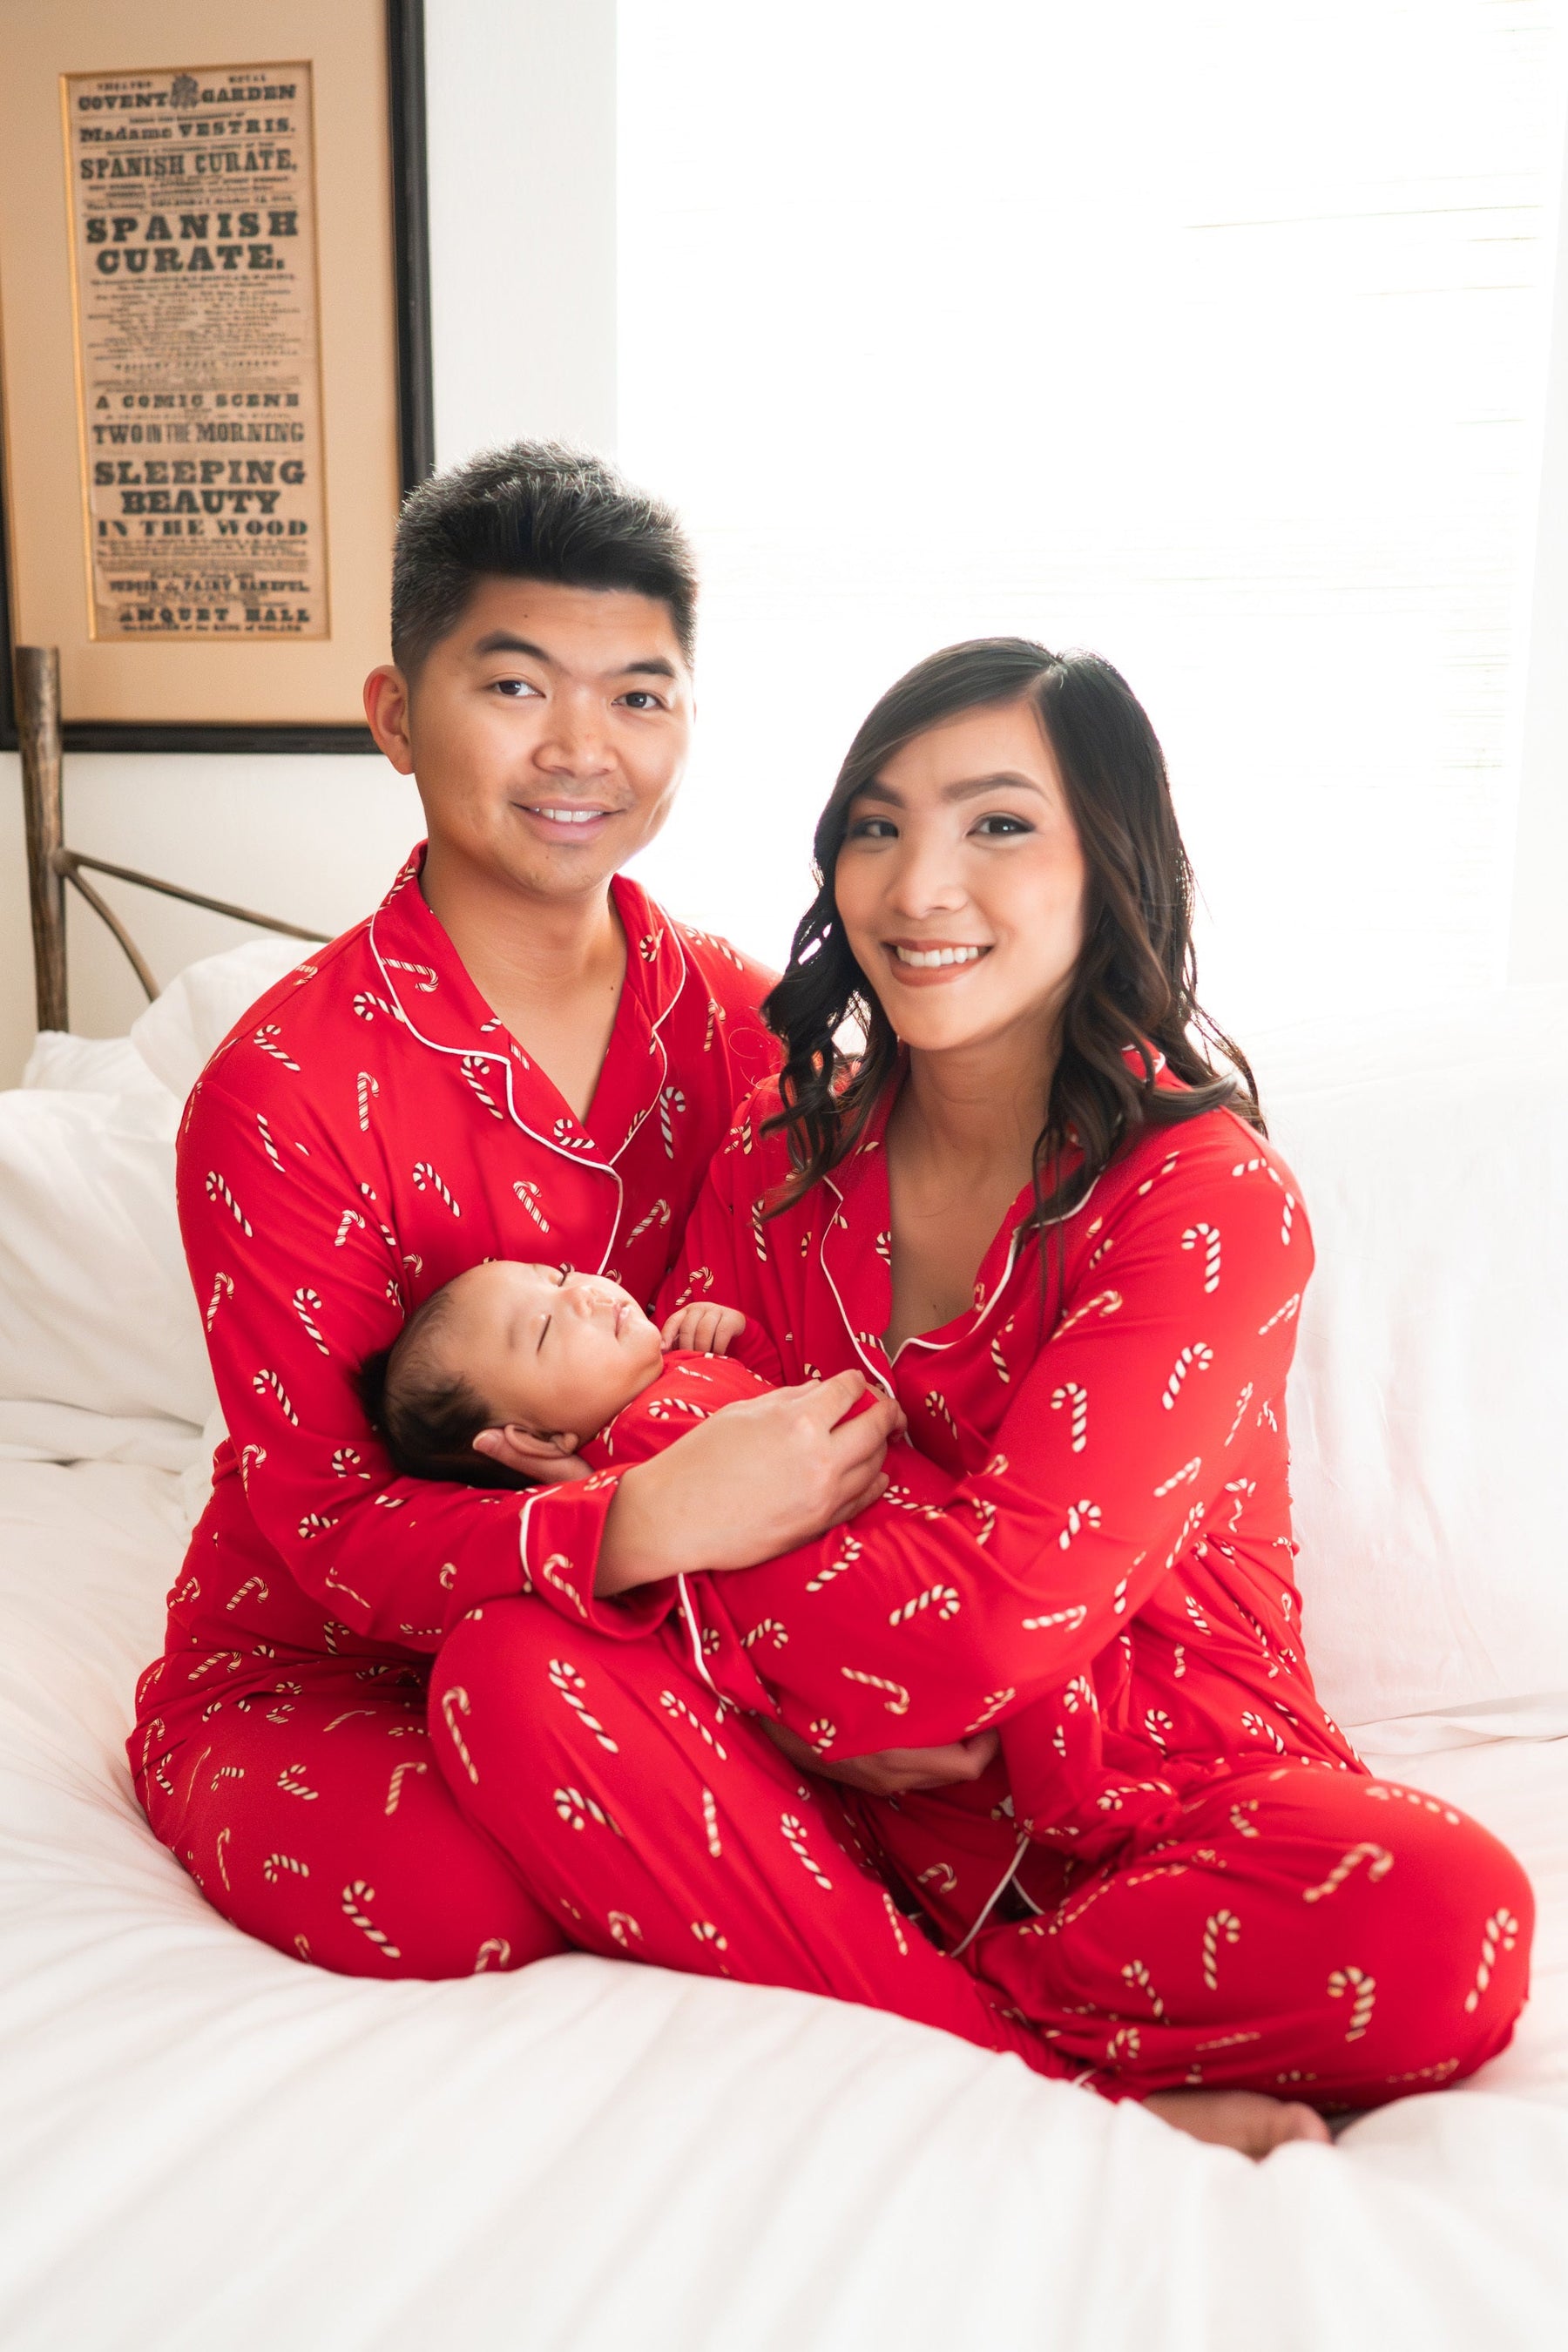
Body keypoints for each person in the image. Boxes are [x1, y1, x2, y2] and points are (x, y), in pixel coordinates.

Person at [429, 638, 1535, 2156]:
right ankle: (1019, 2072)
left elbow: (988, 1626)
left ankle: (889, 2013)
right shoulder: (775, 1156)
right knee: (501, 1668)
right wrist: (813, 1680)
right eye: (877, 827)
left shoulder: (1205, 1199)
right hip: (832, 1799)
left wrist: (777, 1619)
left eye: (998, 824)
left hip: (1160, 1798)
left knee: (1449, 1921)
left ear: (1111, 865)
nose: (916, 885)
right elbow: (655, 1452)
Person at [126, 443, 905, 1981]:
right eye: (516, 687)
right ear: (395, 718)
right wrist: (633, 1522)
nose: (582, 747)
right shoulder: (279, 1088)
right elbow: (332, 1526)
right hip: (337, 1662)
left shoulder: (756, 1023)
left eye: (639, 694)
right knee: (452, 1901)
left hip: (700, 1641)